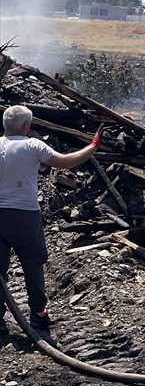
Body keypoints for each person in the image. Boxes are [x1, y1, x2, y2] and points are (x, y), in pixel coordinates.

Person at [1, 105, 101, 332]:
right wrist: (93, 146)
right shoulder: (32, 145)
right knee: (32, 263)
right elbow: (66, 161)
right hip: (25, 215)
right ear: (26, 126)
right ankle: (38, 314)